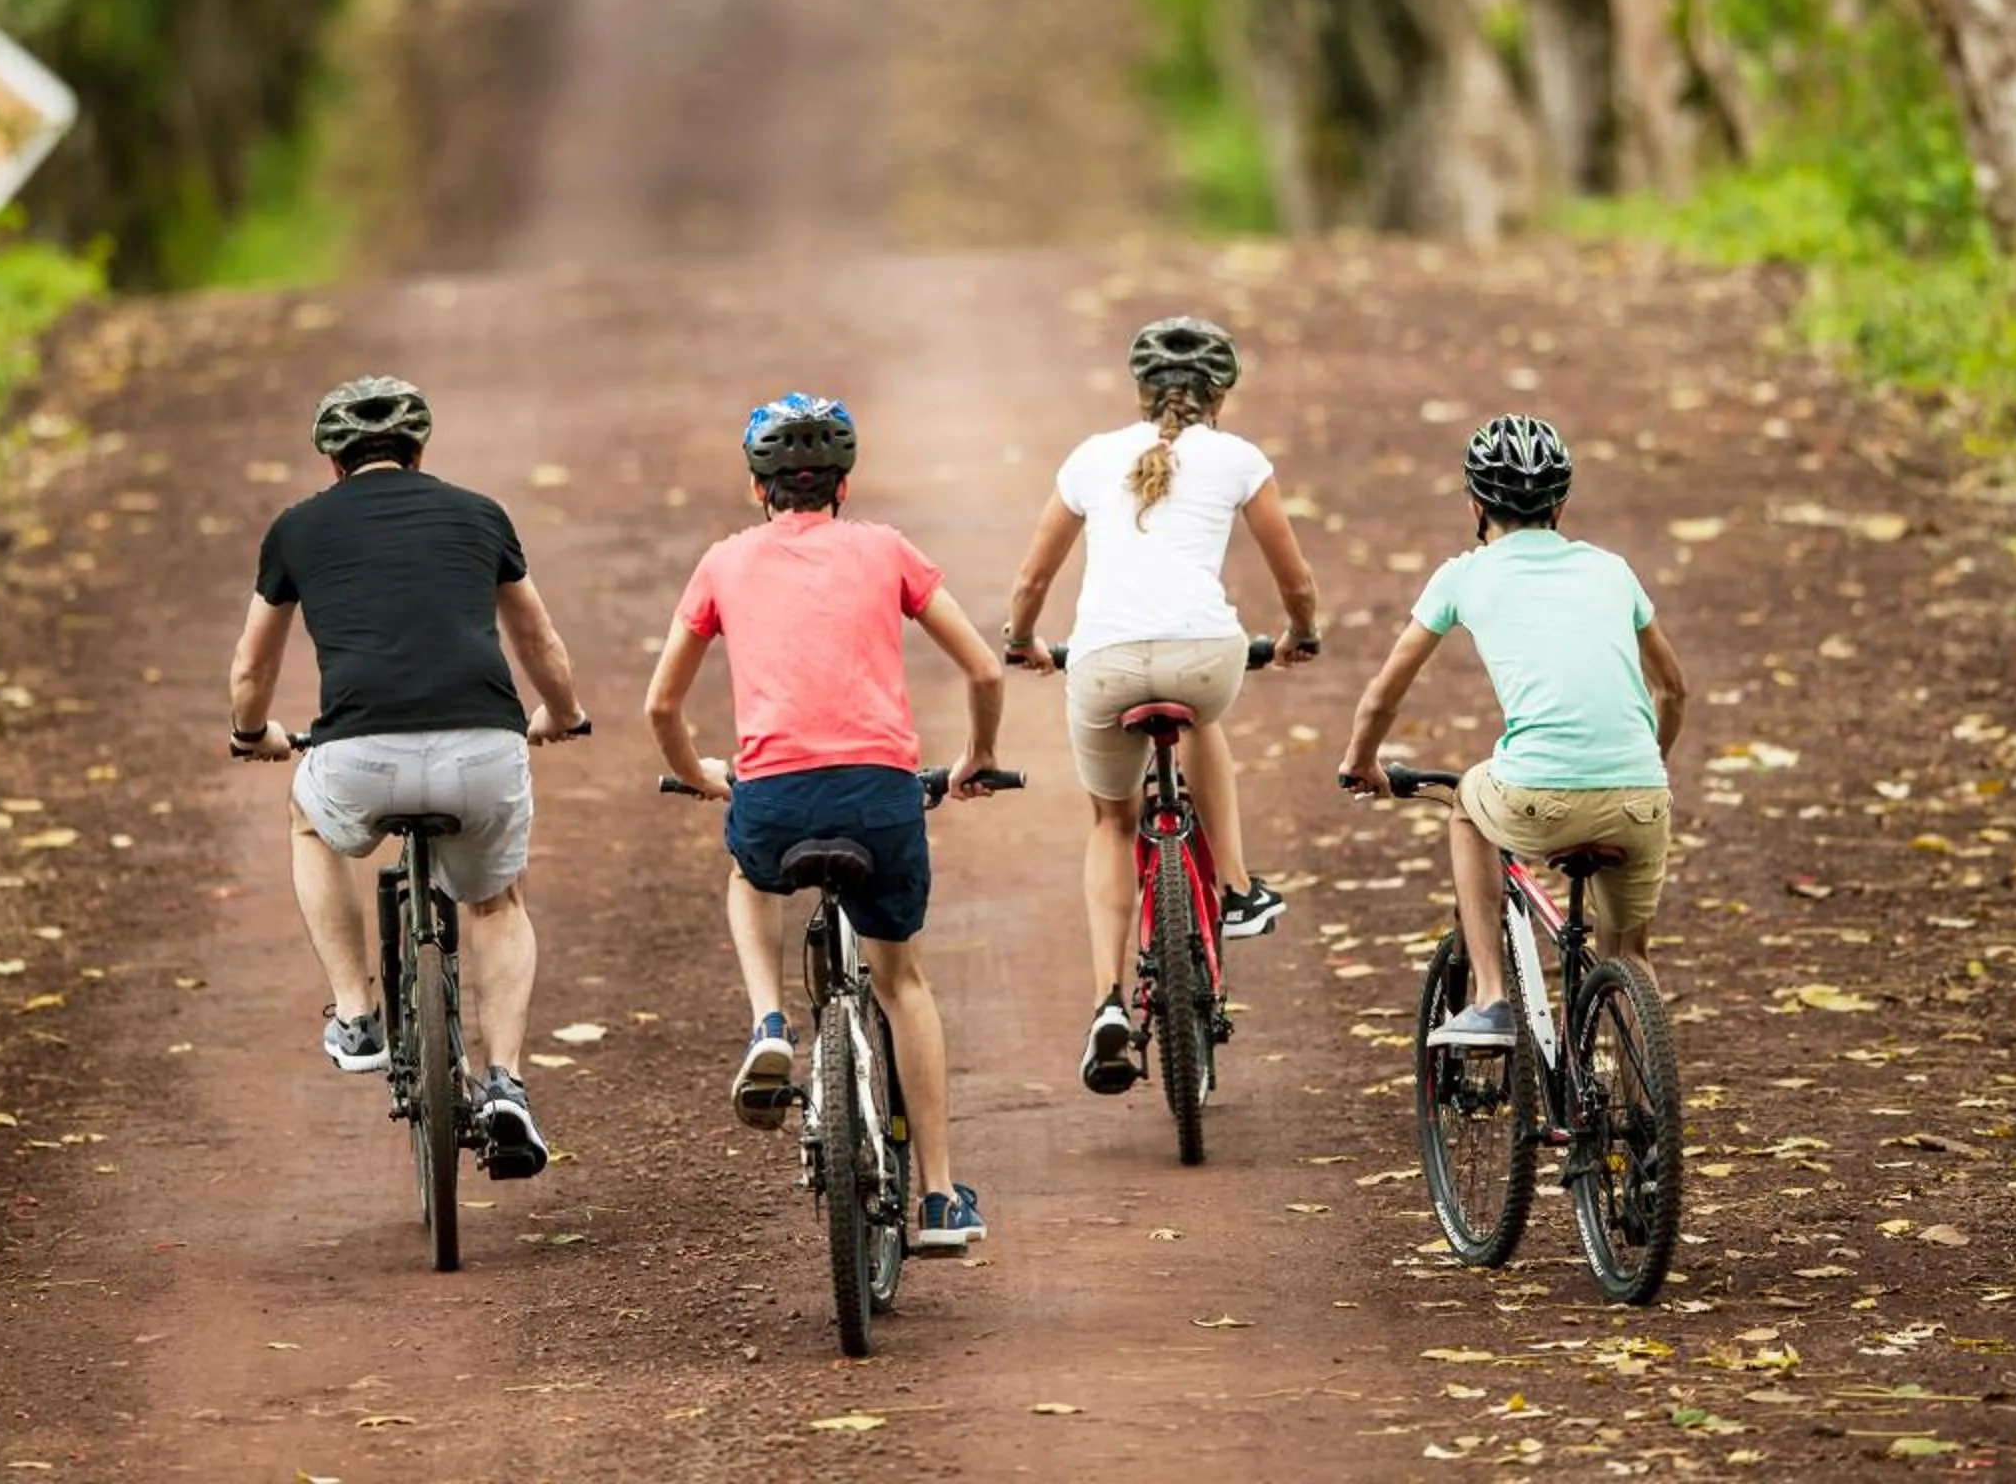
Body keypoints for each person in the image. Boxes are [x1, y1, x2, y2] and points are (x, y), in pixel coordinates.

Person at [643, 393, 1010, 1253]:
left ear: (757, 488)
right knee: (902, 981)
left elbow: (661, 704)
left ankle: (770, 1023)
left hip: (773, 797)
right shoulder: (885, 549)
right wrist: (977, 757)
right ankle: (938, 1197)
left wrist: (699, 773)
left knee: (749, 874)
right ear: (843, 485)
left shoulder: (723, 562)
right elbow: (986, 672)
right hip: (880, 795)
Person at [228, 375, 590, 1177]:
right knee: (495, 901)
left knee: (309, 822)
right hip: (481, 749)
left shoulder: (296, 529)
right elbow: (538, 641)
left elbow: (253, 666)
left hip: (358, 754)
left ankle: (357, 1012)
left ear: (333, 463)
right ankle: (505, 1084)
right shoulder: (480, 514)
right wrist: (562, 713)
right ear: (419, 452)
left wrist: (252, 733)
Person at [1000, 314, 1321, 1096]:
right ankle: (1237, 887)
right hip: (1205, 654)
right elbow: (1296, 581)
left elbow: (1032, 581)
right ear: (1222, 395)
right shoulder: (1239, 459)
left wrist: (1024, 641)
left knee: (1112, 823)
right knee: (1203, 718)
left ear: (1140, 390)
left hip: (1102, 663)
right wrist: (1299, 634)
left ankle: (1109, 1001)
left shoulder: (1091, 457)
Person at [1335, 414, 1688, 1048]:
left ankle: (1492, 997)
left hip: (1537, 794)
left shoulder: (1463, 575)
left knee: (1467, 805)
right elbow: (1674, 690)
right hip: (1640, 795)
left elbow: (1385, 692)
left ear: (1475, 504)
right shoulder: (1613, 570)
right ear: (1561, 505)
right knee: (1630, 955)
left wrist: (1362, 761)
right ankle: (1643, 1098)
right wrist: (1642, 764)